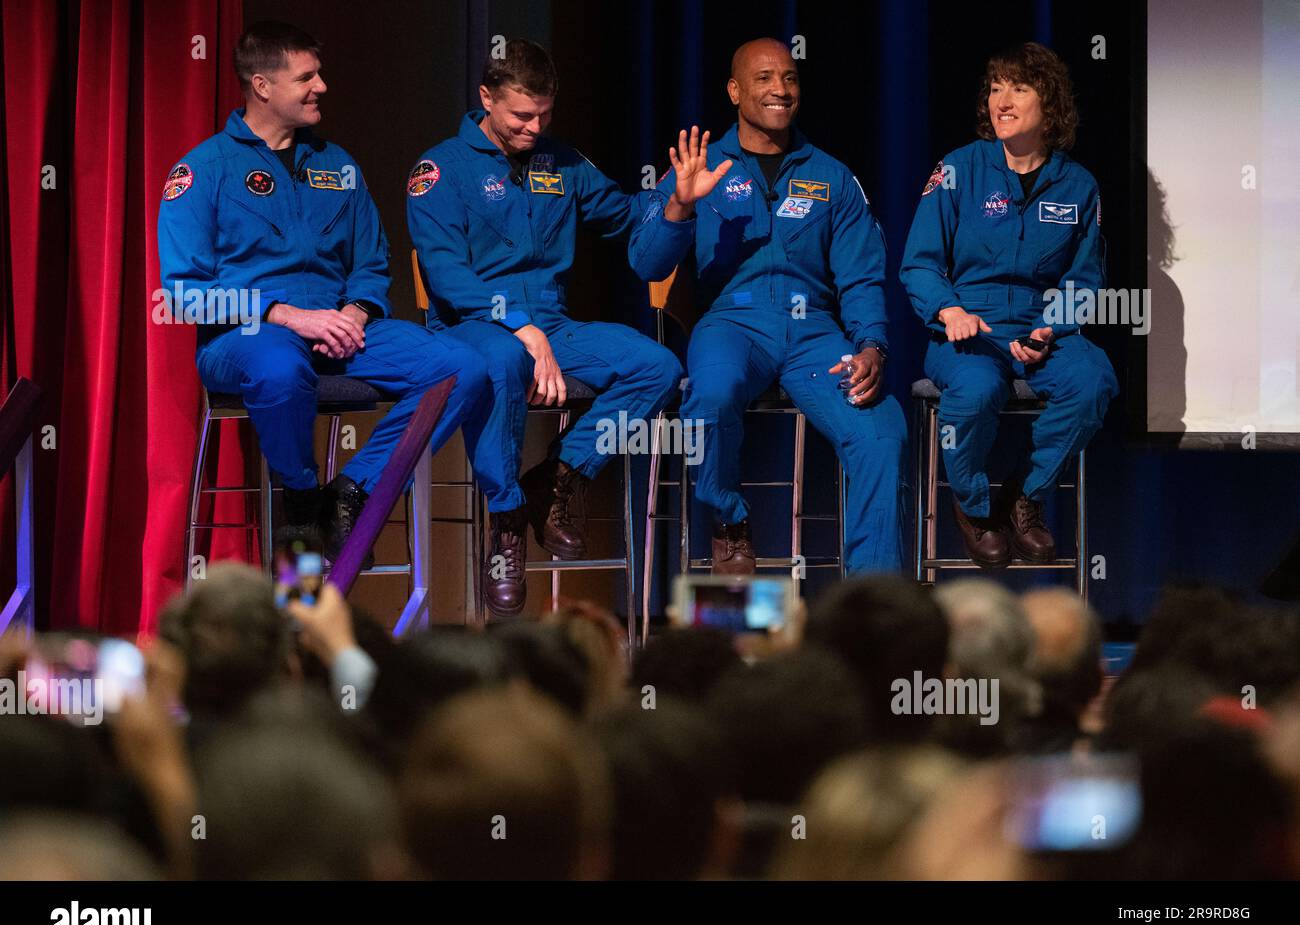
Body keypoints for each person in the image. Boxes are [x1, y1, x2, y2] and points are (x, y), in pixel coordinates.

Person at [158, 21, 491, 565]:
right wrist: (289, 315)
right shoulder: (204, 170)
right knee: (279, 369)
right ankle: (303, 496)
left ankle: (353, 491)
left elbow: (371, 261)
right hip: (247, 338)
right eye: (306, 77)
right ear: (263, 86)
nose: (322, 87)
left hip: (339, 328)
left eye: (320, 74)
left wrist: (355, 312)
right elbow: (185, 296)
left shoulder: (337, 165)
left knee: (464, 367)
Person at [407, 39, 682, 616]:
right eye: (521, 115)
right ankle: (506, 522)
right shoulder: (439, 169)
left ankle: (555, 478)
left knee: (657, 367)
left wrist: (676, 200)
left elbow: (631, 216)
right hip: (471, 324)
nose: (535, 126)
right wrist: (520, 327)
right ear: (486, 98)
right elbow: (446, 272)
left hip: (553, 323)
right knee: (502, 361)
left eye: (545, 114)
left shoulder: (563, 162)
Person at [629, 38, 906, 575]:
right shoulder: (698, 167)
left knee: (881, 428)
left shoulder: (832, 177)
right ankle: (729, 523)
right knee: (712, 392)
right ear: (734, 91)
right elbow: (645, 262)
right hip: (732, 325)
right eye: (763, 79)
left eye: (790, 78)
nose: (780, 89)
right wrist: (681, 202)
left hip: (815, 335)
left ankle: (875, 606)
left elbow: (862, 276)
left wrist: (872, 343)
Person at [900, 41, 1118, 568]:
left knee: (1094, 381)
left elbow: (1084, 278)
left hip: (1042, 323)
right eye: (996, 87)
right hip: (967, 323)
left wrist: (1049, 329)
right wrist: (949, 310)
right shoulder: (958, 169)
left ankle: (1024, 496)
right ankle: (975, 508)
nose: (1002, 99)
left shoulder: (1079, 185)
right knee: (975, 390)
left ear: (1051, 105)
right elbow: (920, 263)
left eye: (1019, 88)